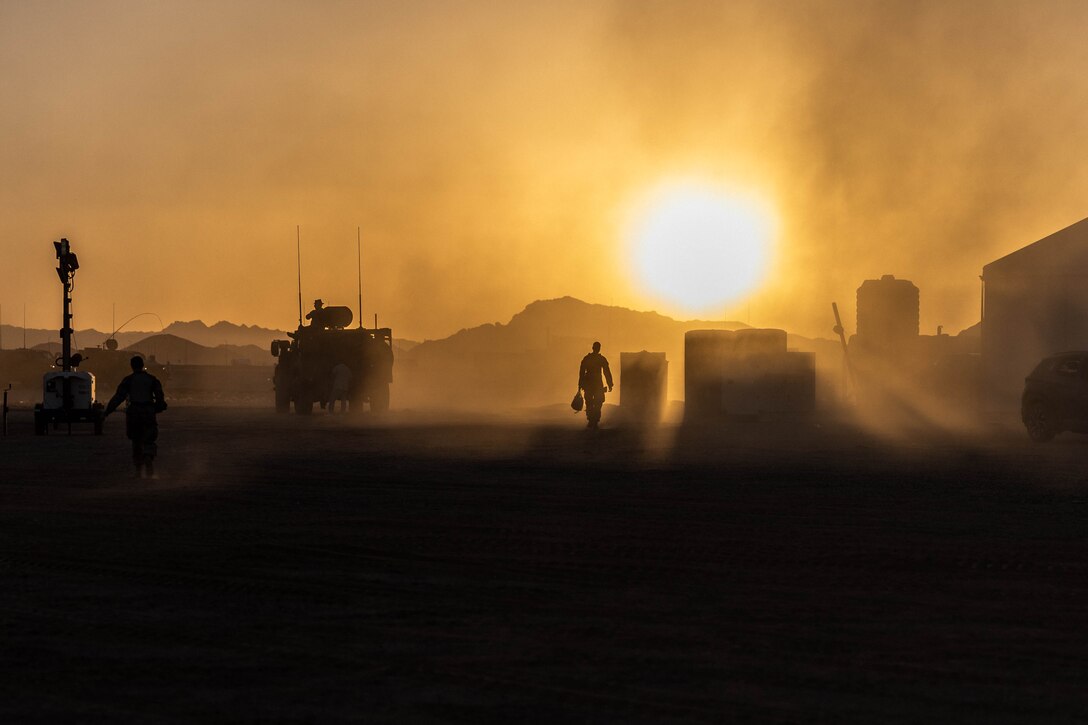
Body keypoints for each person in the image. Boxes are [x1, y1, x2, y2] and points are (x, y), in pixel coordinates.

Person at [104, 355, 167, 478]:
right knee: (149, 438)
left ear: (132, 366)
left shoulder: (128, 380)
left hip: (134, 412)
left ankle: (138, 470)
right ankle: (148, 459)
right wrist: (158, 408)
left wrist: (107, 411)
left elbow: (118, 397)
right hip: (148, 411)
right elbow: (160, 398)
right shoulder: (152, 379)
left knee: (136, 440)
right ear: (142, 365)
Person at [578, 341, 613, 429]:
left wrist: (580, 384)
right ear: (597, 348)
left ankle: (592, 420)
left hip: (590, 383)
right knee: (596, 402)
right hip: (596, 383)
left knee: (593, 401)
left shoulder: (587, 358)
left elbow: (582, 372)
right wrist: (610, 384)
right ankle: (594, 420)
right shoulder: (600, 359)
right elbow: (606, 372)